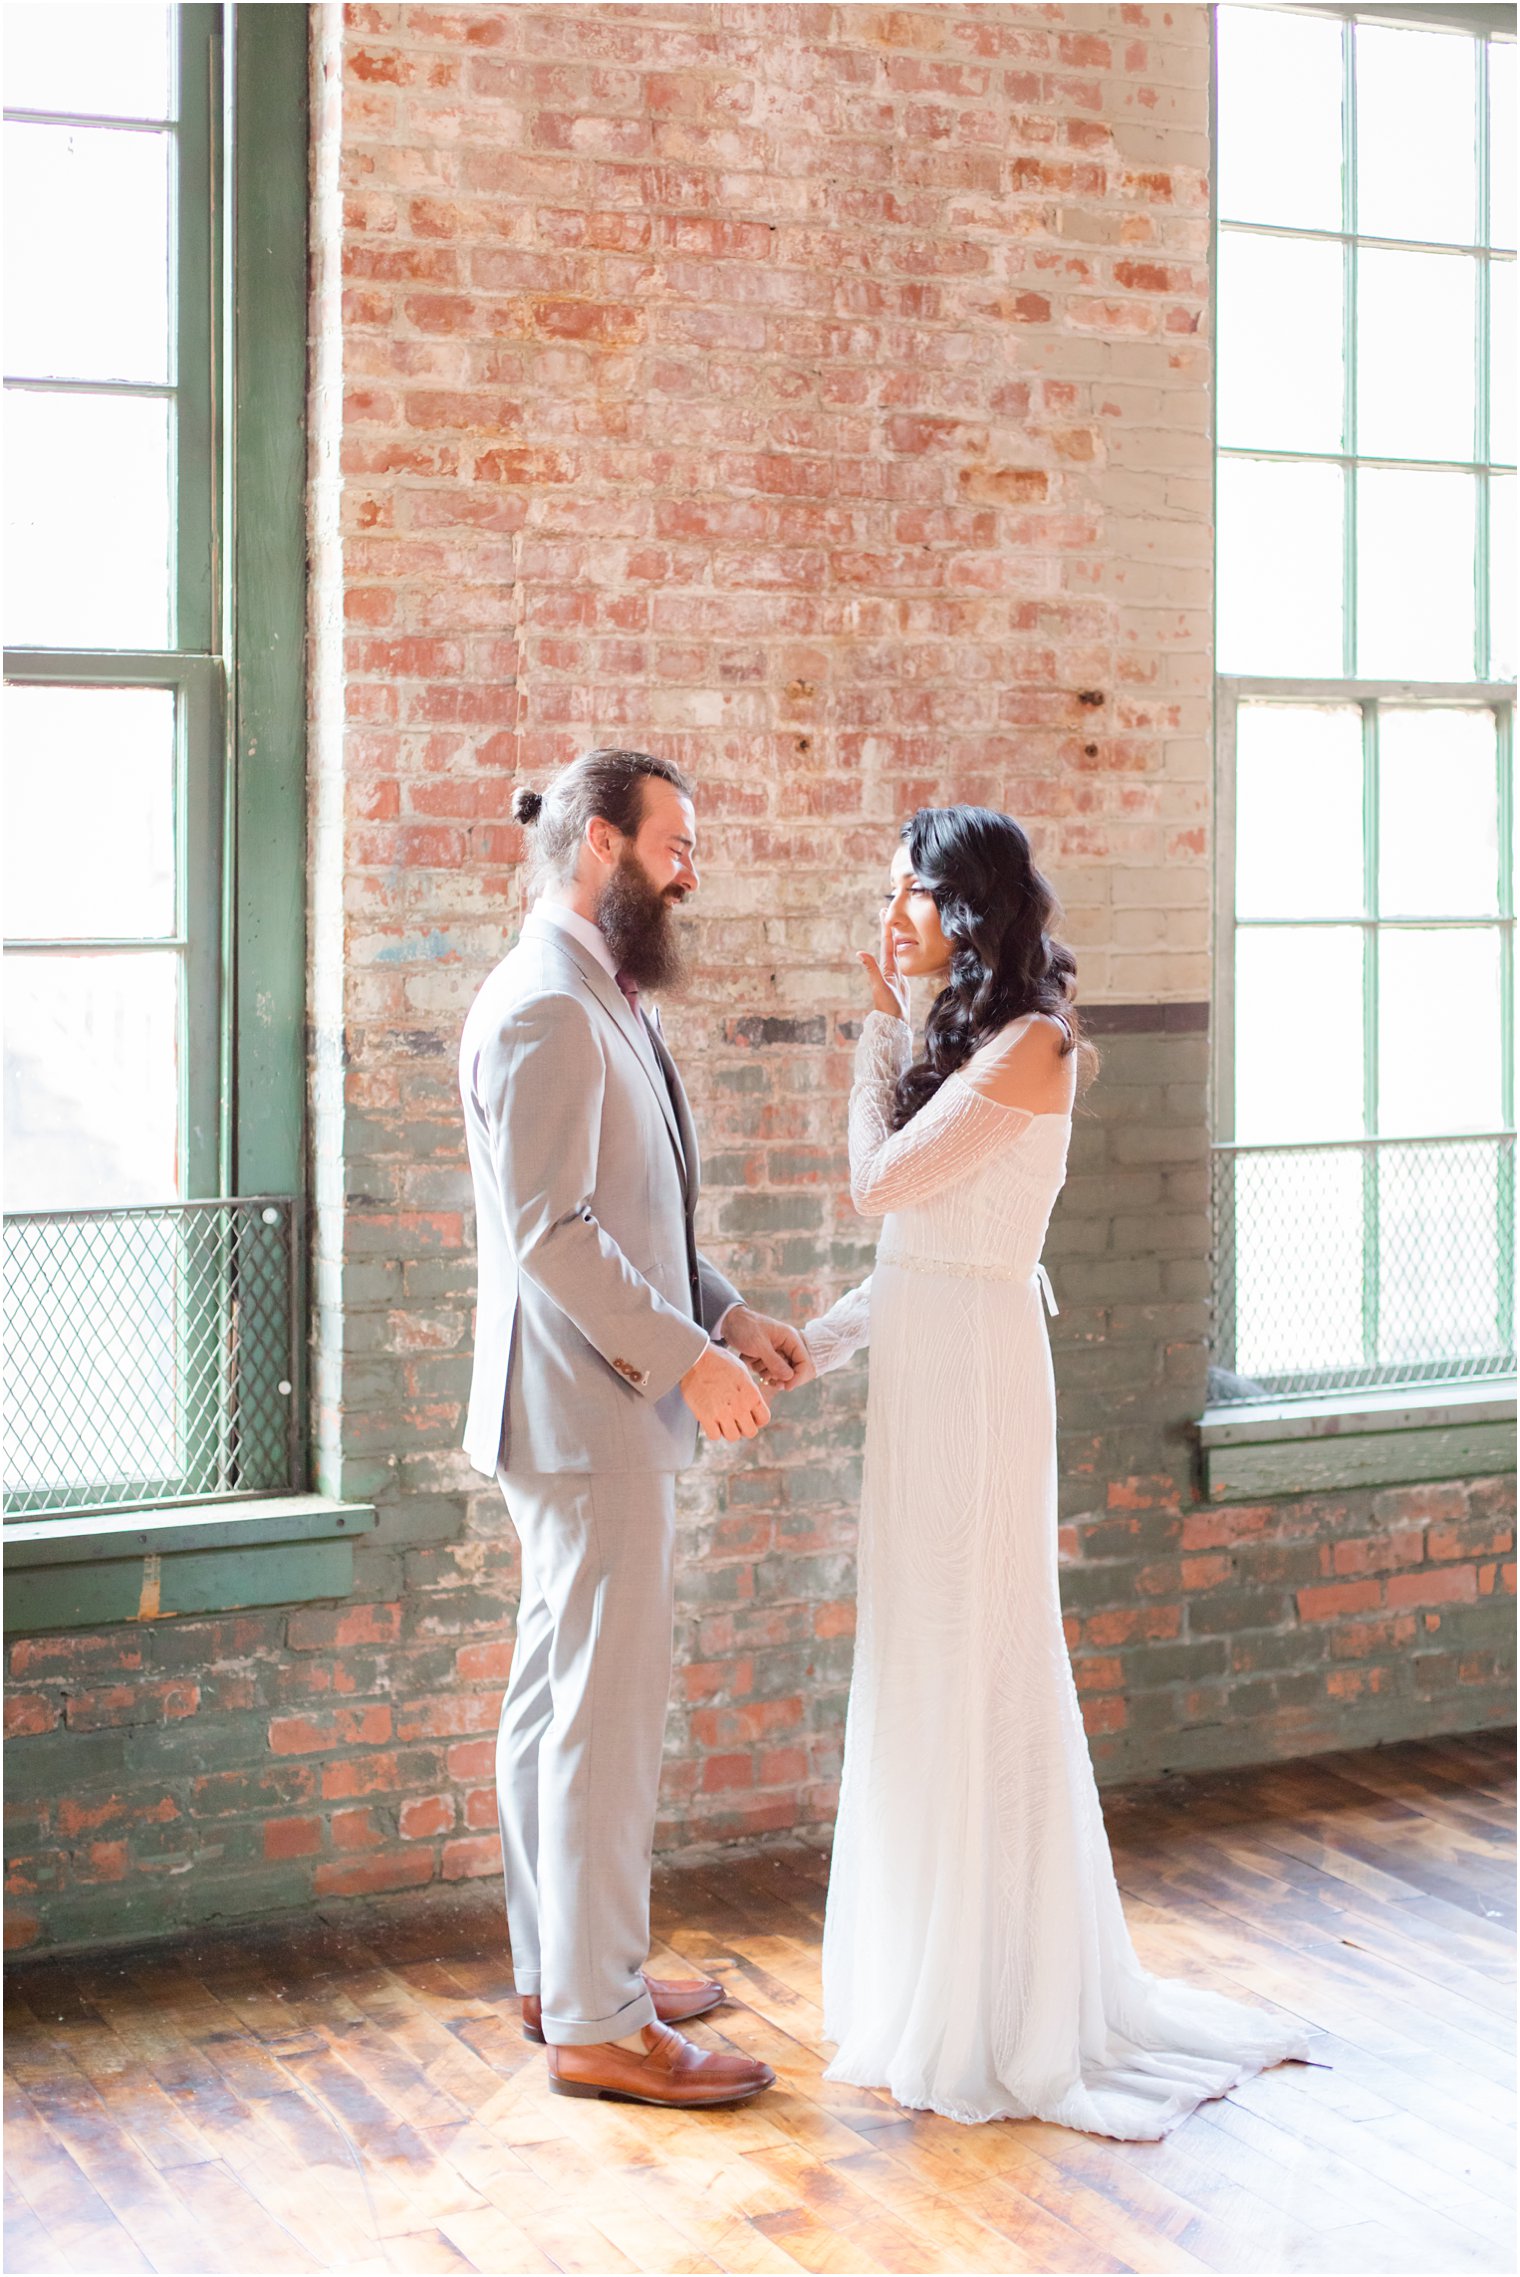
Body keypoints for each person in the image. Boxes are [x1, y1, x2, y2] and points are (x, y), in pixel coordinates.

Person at [802, 805, 1314, 2138]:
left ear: (970, 908)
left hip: (975, 1377)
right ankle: (934, 1969)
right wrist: (818, 1342)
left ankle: (1005, 2001)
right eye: (886, 894)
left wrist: (872, 1032)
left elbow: (877, 1186)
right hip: (927, 1357)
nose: (890, 919)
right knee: (920, 1659)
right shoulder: (965, 1046)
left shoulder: (1035, 1047)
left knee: (980, 1654)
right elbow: (914, 1248)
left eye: (910, 893)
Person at [458, 747, 809, 2108]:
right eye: (676, 844)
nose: (691, 869)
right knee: (600, 1718)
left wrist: (723, 1318)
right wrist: (681, 1363)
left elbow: (634, 1211)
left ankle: (565, 1972)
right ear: (600, 842)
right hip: (590, 1407)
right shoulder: (546, 1004)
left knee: (558, 1697)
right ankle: (600, 2022)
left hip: (577, 1406)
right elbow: (555, 1233)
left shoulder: (586, 989)